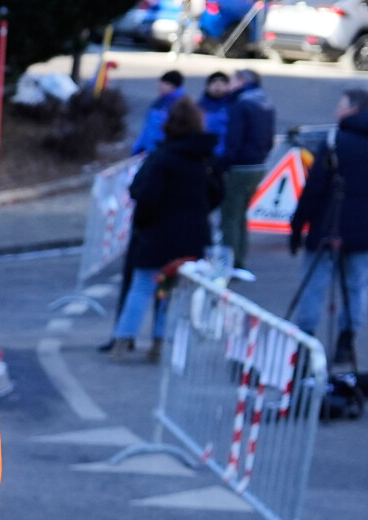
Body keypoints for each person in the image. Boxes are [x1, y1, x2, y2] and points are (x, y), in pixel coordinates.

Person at [108, 94, 223, 360]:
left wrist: (144, 222)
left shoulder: (162, 157)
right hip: (192, 236)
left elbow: (143, 193)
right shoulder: (205, 157)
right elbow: (218, 193)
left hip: (157, 234)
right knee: (171, 293)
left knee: (142, 287)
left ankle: (123, 341)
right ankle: (160, 342)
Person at [289, 86, 368, 367]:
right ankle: (346, 341)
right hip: (367, 231)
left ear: (354, 109)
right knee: (356, 288)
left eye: (341, 105)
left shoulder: (335, 141)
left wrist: (298, 226)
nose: (336, 111)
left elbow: (314, 189)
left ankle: (305, 343)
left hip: (327, 228)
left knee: (314, 286)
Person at [219, 67, 277, 263]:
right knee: (241, 215)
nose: (229, 85)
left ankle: (229, 261)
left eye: (232, 81)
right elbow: (269, 137)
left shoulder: (241, 104)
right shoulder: (265, 101)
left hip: (240, 166)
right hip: (258, 165)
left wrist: (224, 164)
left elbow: (234, 139)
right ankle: (239, 258)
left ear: (242, 82)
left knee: (229, 216)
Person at [133, 70, 185, 155]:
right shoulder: (160, 102)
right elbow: (147, 128)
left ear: (173, 86)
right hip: (148, 151)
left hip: (163, 153)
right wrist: (138, 147)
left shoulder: (180, 105)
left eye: (164, 83)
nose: (159, 86)